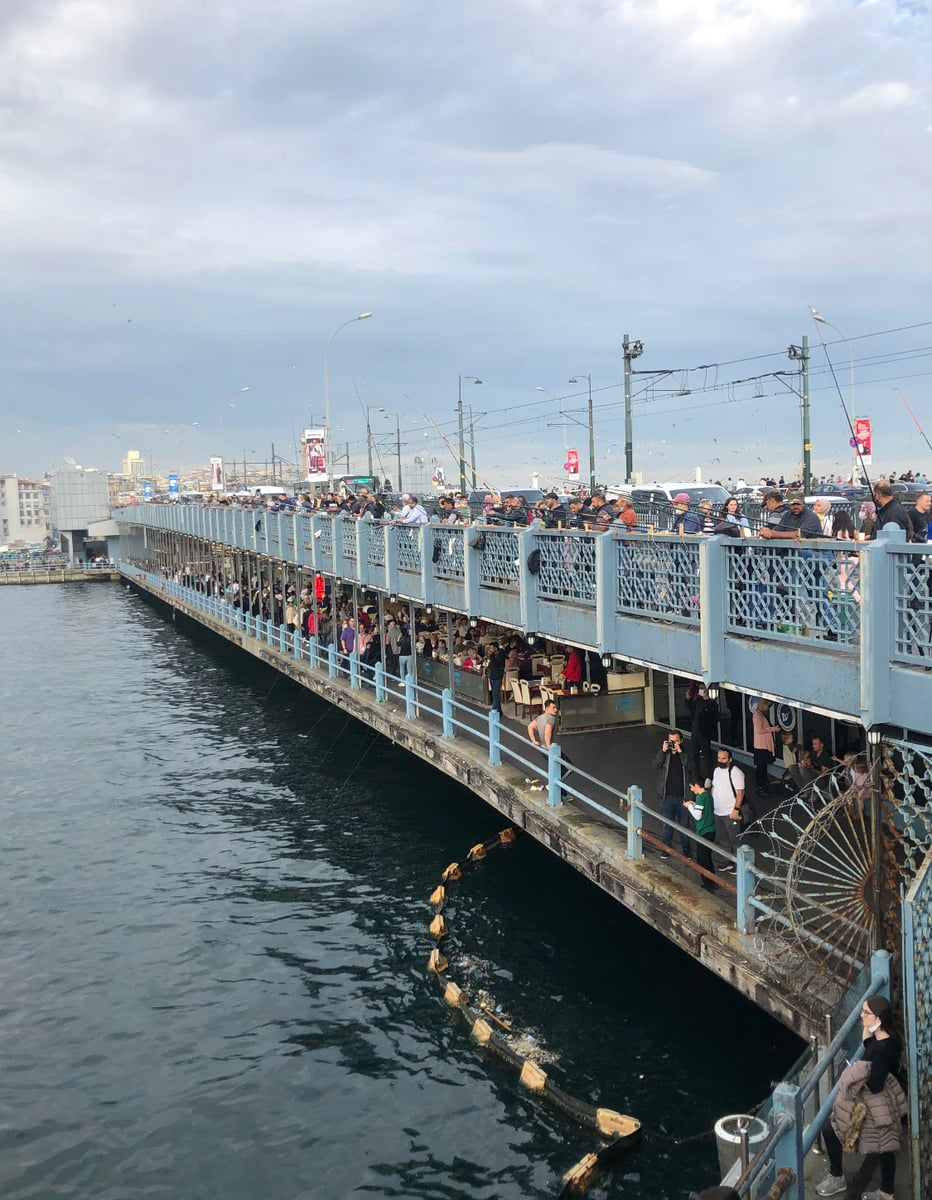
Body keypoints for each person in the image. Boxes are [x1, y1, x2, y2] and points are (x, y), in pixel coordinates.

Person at [815, 994, 907, 1199]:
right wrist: (868, 1027)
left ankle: (839, 1177)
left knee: (831, 1129)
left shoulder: (882, 1052)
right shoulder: (887, 1041)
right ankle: (885, 1191)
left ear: (879, 1019)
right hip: (884, 1105)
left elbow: (875, 1084)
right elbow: (869, 1046)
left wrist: (856, 1074)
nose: (861, 1015)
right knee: (885, 1146)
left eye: (866, 1013)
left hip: (876, 1106)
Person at [652, 730, 691, 858]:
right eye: (671, 741)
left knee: (684, 827)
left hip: (683, 798)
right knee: (666, 826)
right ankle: (666, 849)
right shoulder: (666, 754)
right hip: (667, 796)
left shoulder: (685, 754)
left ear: (681, 741)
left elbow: (691, 767)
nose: (673, 744)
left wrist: (680, 752)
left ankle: (687, 852)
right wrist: (662, 751)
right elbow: (656, 765)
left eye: (676, 741)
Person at [711, 747, 747, 870]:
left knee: (735, 841)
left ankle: (739, 866)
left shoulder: (735, 772)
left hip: (730, 813)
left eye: (723, 758)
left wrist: (736, 809)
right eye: (719, 758)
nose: (720, 761)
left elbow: (740, 792)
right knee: (723, 840)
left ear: (730, 759)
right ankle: (728, 861)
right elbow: (714, 787)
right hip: (718, 812)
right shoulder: (716, 770)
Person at [684, 779, 717, 891]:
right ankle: (713, 881)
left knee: (702, 860)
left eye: (692, 787)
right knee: (708, 857)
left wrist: (689, 806)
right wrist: (694, 805)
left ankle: (708, 884)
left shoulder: (700, 797)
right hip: (711, 829)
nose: (691, 789)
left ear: (697, 785)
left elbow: (697, 816)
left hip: (703, 831)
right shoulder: (708, 795)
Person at [751, 699, 780, 799]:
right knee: (761, 768)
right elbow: (759, 730)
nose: (768, 708)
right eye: (768, 706)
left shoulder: (760, 714)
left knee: (763, 767)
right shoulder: (757, 715)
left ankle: (763, 785)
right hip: (761, 746)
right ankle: (760, 787)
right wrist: (773, 729)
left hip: (763, 745)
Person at [483, 640, 506, 714]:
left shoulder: (500, 655)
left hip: (497, 676)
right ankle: (499, 711)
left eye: (492, 648)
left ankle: (495, 709)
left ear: (496, 648)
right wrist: (486, 672)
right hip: (492, 675)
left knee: (495, 693)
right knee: (494, 693)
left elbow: (495, 663)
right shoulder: (492, 655)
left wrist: (492, 655)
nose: (490, 649)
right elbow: (490, 665)